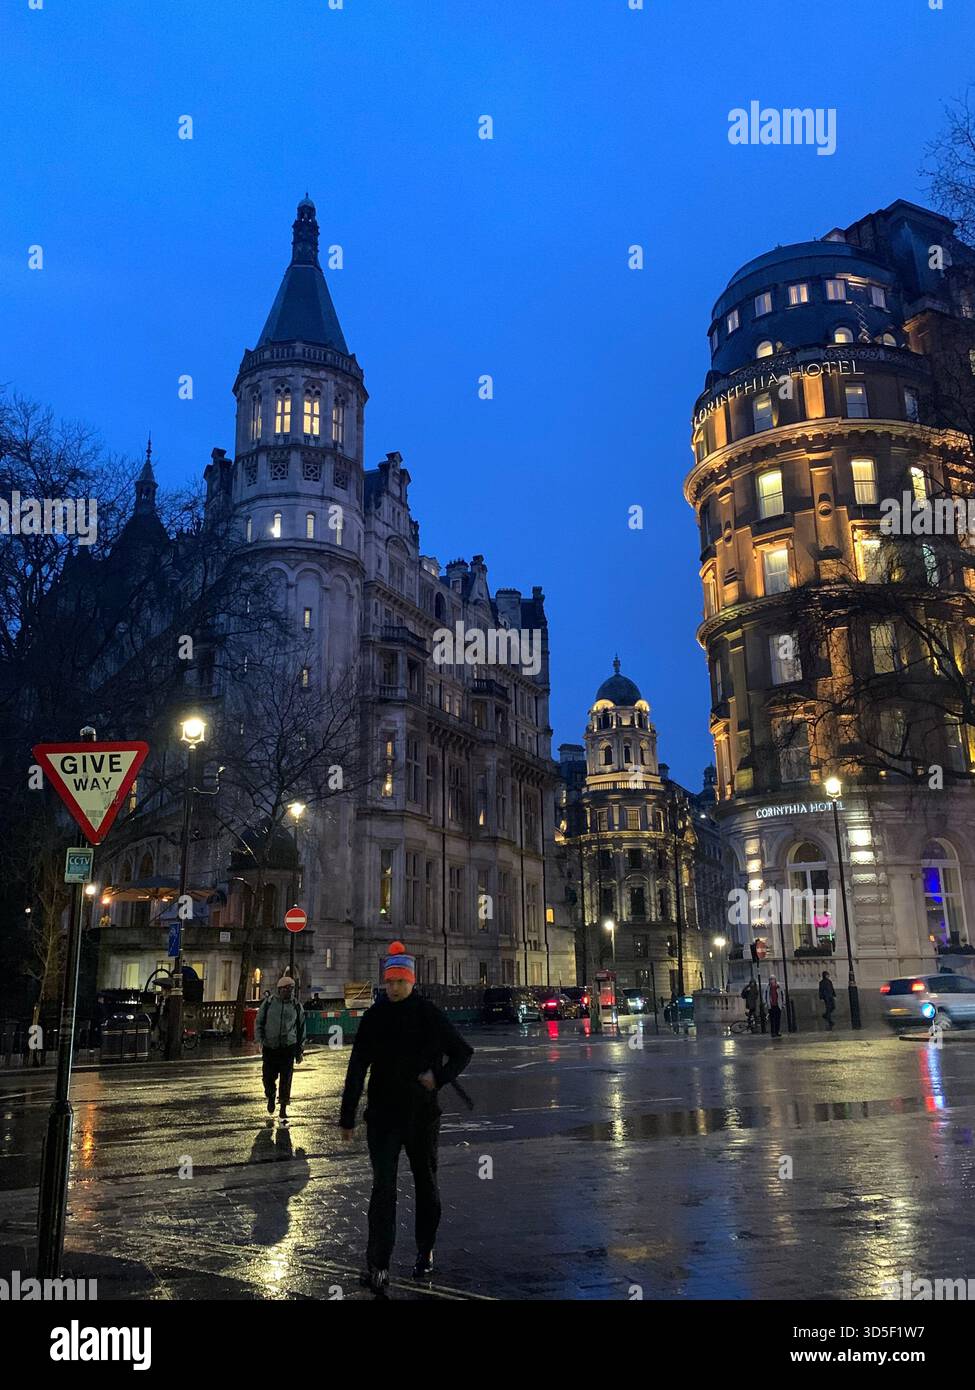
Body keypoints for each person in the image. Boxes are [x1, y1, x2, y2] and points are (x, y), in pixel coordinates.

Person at [339, 941, 474, 1296]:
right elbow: (357, 1067)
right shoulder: (374, 1016)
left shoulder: (428, 1013)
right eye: (390, 981)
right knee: (383, 1189)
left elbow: (462, 1052)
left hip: (421, 1115)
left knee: (426, 1183)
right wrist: (348, 1115)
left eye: (401, 981)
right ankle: (378, 1264)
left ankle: (424, 1248)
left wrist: (438, 1078)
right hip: (383, 1115)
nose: (395, 987)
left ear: (412, 981)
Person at [256, 975, 305, 1121]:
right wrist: (259, 1040)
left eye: (291, 989)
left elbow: (301, 1028)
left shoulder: (296, 1006)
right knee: (267, 1077)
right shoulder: (269, 1003)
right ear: (279, 989)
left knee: (286, 1079)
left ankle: (283, 1107)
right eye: (285, 989)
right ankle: (270, 1095)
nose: (288, 991)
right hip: (270, 1047)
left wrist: (300, 1049)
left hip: (288, 1047)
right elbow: (259, 1021)